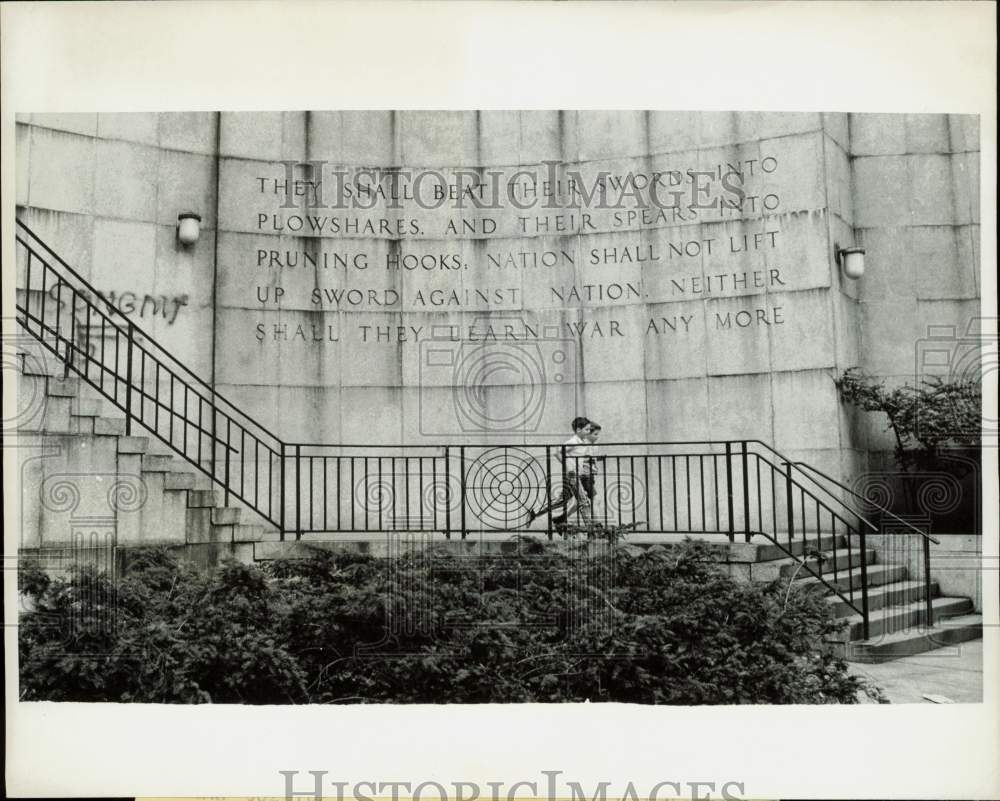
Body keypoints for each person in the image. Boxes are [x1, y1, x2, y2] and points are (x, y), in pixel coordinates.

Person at [527, 416, 593, 531]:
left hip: (576, 475)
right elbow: (558, 452)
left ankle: (534, 513)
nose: (589, 432)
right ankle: (591, 531)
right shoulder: (573, 441)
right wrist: (568, 466)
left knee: (561, 500)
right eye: (587, 429)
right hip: (573, 476)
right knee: (584, 502)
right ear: (578, 430)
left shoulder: (582, 442)